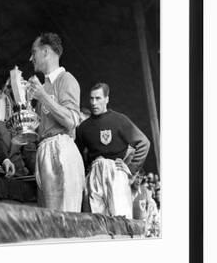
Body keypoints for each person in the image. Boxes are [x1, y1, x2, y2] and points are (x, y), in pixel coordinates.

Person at [26, 32, 85, 211]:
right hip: (44, 150)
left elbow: (71, 120)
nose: (31, 58)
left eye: (33, 52)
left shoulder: (66, 79)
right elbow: (36, 128)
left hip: (61, 148)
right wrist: (24, 105)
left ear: (45, 52)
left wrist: (43, 97)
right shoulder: (42, 87)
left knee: (64, 218)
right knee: (48, 220)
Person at [76, 82, 151, 218]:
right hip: (94, 175)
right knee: (97, 219)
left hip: (116, 172)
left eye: (98, 98)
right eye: (91, 98)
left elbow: (143, 143)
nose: (93, 102)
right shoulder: (83, 128)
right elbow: (78, 155)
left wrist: (131, 168)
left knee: (121, 216)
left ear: (106, 99)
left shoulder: (119, 120)